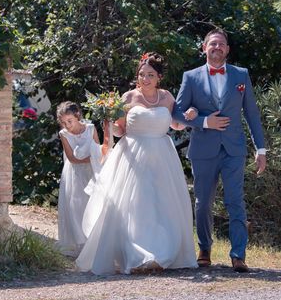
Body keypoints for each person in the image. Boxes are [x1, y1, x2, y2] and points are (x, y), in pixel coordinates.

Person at [76, 53, 198, 275]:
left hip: (162, 156)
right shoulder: (128, 97)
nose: (145, 79)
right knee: (134, 205)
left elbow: (176, 125)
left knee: (161, 205)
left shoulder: (167, 97)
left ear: (159, 77)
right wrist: (109, 122)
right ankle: (136, 255)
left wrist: (190, 115)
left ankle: (161, 254)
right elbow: (120, 130)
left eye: (150, 75)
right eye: (142, 74)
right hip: (133, 155)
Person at [173, 28, 266, 273]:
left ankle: (238, 255)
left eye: (221, 44)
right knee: (203, 203)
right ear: (204, 48)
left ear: (227, 49)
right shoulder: (190, 77)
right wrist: (203, 121)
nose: (217, 48)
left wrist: (261, 148)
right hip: (203, 148)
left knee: (235, 200)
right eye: (212, 44)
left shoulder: (241, 75)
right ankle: (204, 249)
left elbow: (252, 114)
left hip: (234, 149)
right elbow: (177, 112)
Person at [56, 101, 102, 256]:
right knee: (76, 204)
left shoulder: (90, 129)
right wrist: (91, 159)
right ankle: (80, 243)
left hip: (92, 171)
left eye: (69, 121)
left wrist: (95, 162)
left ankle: (94, 242)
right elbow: (72, 158)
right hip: (74, 172)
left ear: (77, 116)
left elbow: (98, 150)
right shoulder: (64, 134)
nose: (67, 125)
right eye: (63, 123)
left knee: (93, 203)